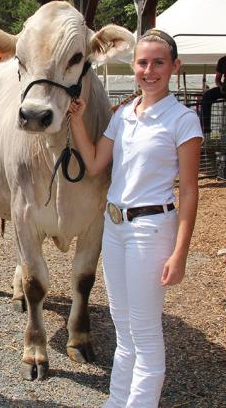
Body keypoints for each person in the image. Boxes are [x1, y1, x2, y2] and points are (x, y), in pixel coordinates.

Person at [68, 29, 202, 407]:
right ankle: (117, 401)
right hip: (114, 226)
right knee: (123, 328)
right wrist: (76, 121)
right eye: (143, 62)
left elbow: (189, 191)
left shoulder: (182, 120)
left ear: (174, 66)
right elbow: (95, 163)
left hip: (151, 229)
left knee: (144, 332)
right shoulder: (124, 115)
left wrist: (180, 252)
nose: (149, 70)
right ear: (134, 66)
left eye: (159, 62)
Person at [200, 55, 226, 134]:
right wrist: (221, 87)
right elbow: (217, 79)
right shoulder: (223, 60)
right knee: (207, 96)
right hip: (225, 87)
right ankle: (205, 128)